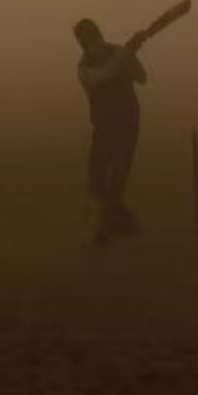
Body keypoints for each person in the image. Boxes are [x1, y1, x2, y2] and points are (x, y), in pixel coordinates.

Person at [73, 18, 148, 246]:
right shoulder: (84, 67)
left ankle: (107, 227)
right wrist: (126, 52)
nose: (92, 43)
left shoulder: (117, 51)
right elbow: (102, 76)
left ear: (98, 35)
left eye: (93, 36)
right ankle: (121, 220)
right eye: (86, 40)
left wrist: (130, 54)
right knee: (96, 179)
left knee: (117, 178)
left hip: (127, 123)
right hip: (104, 125)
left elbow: (141, 77)